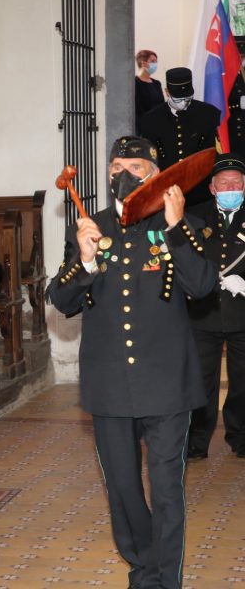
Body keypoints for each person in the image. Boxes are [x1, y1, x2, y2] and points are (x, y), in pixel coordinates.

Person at [47, 136, 217, 589]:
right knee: (122, 488)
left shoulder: (181, 222)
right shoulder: (91, 226)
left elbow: (202, 286)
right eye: (116, 167)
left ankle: (166, 580)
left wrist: (176, 227)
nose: (124, 175)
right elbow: (60, 299)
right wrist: (85, 261)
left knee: (166, 488)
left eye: (136, 168)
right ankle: (144, 567)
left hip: (167, 382)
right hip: (110, 382)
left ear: (156, 175)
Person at [187, 152, 245, 459]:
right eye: (224, 183)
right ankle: (197, 440)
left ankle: (241, 436)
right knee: (200, 381)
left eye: (237, 183)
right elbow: (183, 259)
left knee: (243, 382)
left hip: (242, 315)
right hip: (203, 314)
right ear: (212, 188)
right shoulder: (194, 217)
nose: (231, 188)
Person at [140, 67, 220, 206]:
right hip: (165, 193)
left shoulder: (209, 114)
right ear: (167, 92)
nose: (183, 102)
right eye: (178, 98)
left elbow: (216, 153)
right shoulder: (150, 120)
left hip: (201, 193)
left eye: (187, 98)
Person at [134, 50, 164, 133]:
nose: (155, 64)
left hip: (159, 126)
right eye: (153, 61)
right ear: (143, 63)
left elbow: (162, 105)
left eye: (156, 61)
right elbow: (137, 109)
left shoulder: (156, 83)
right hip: (143, 128)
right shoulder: (135, 83)